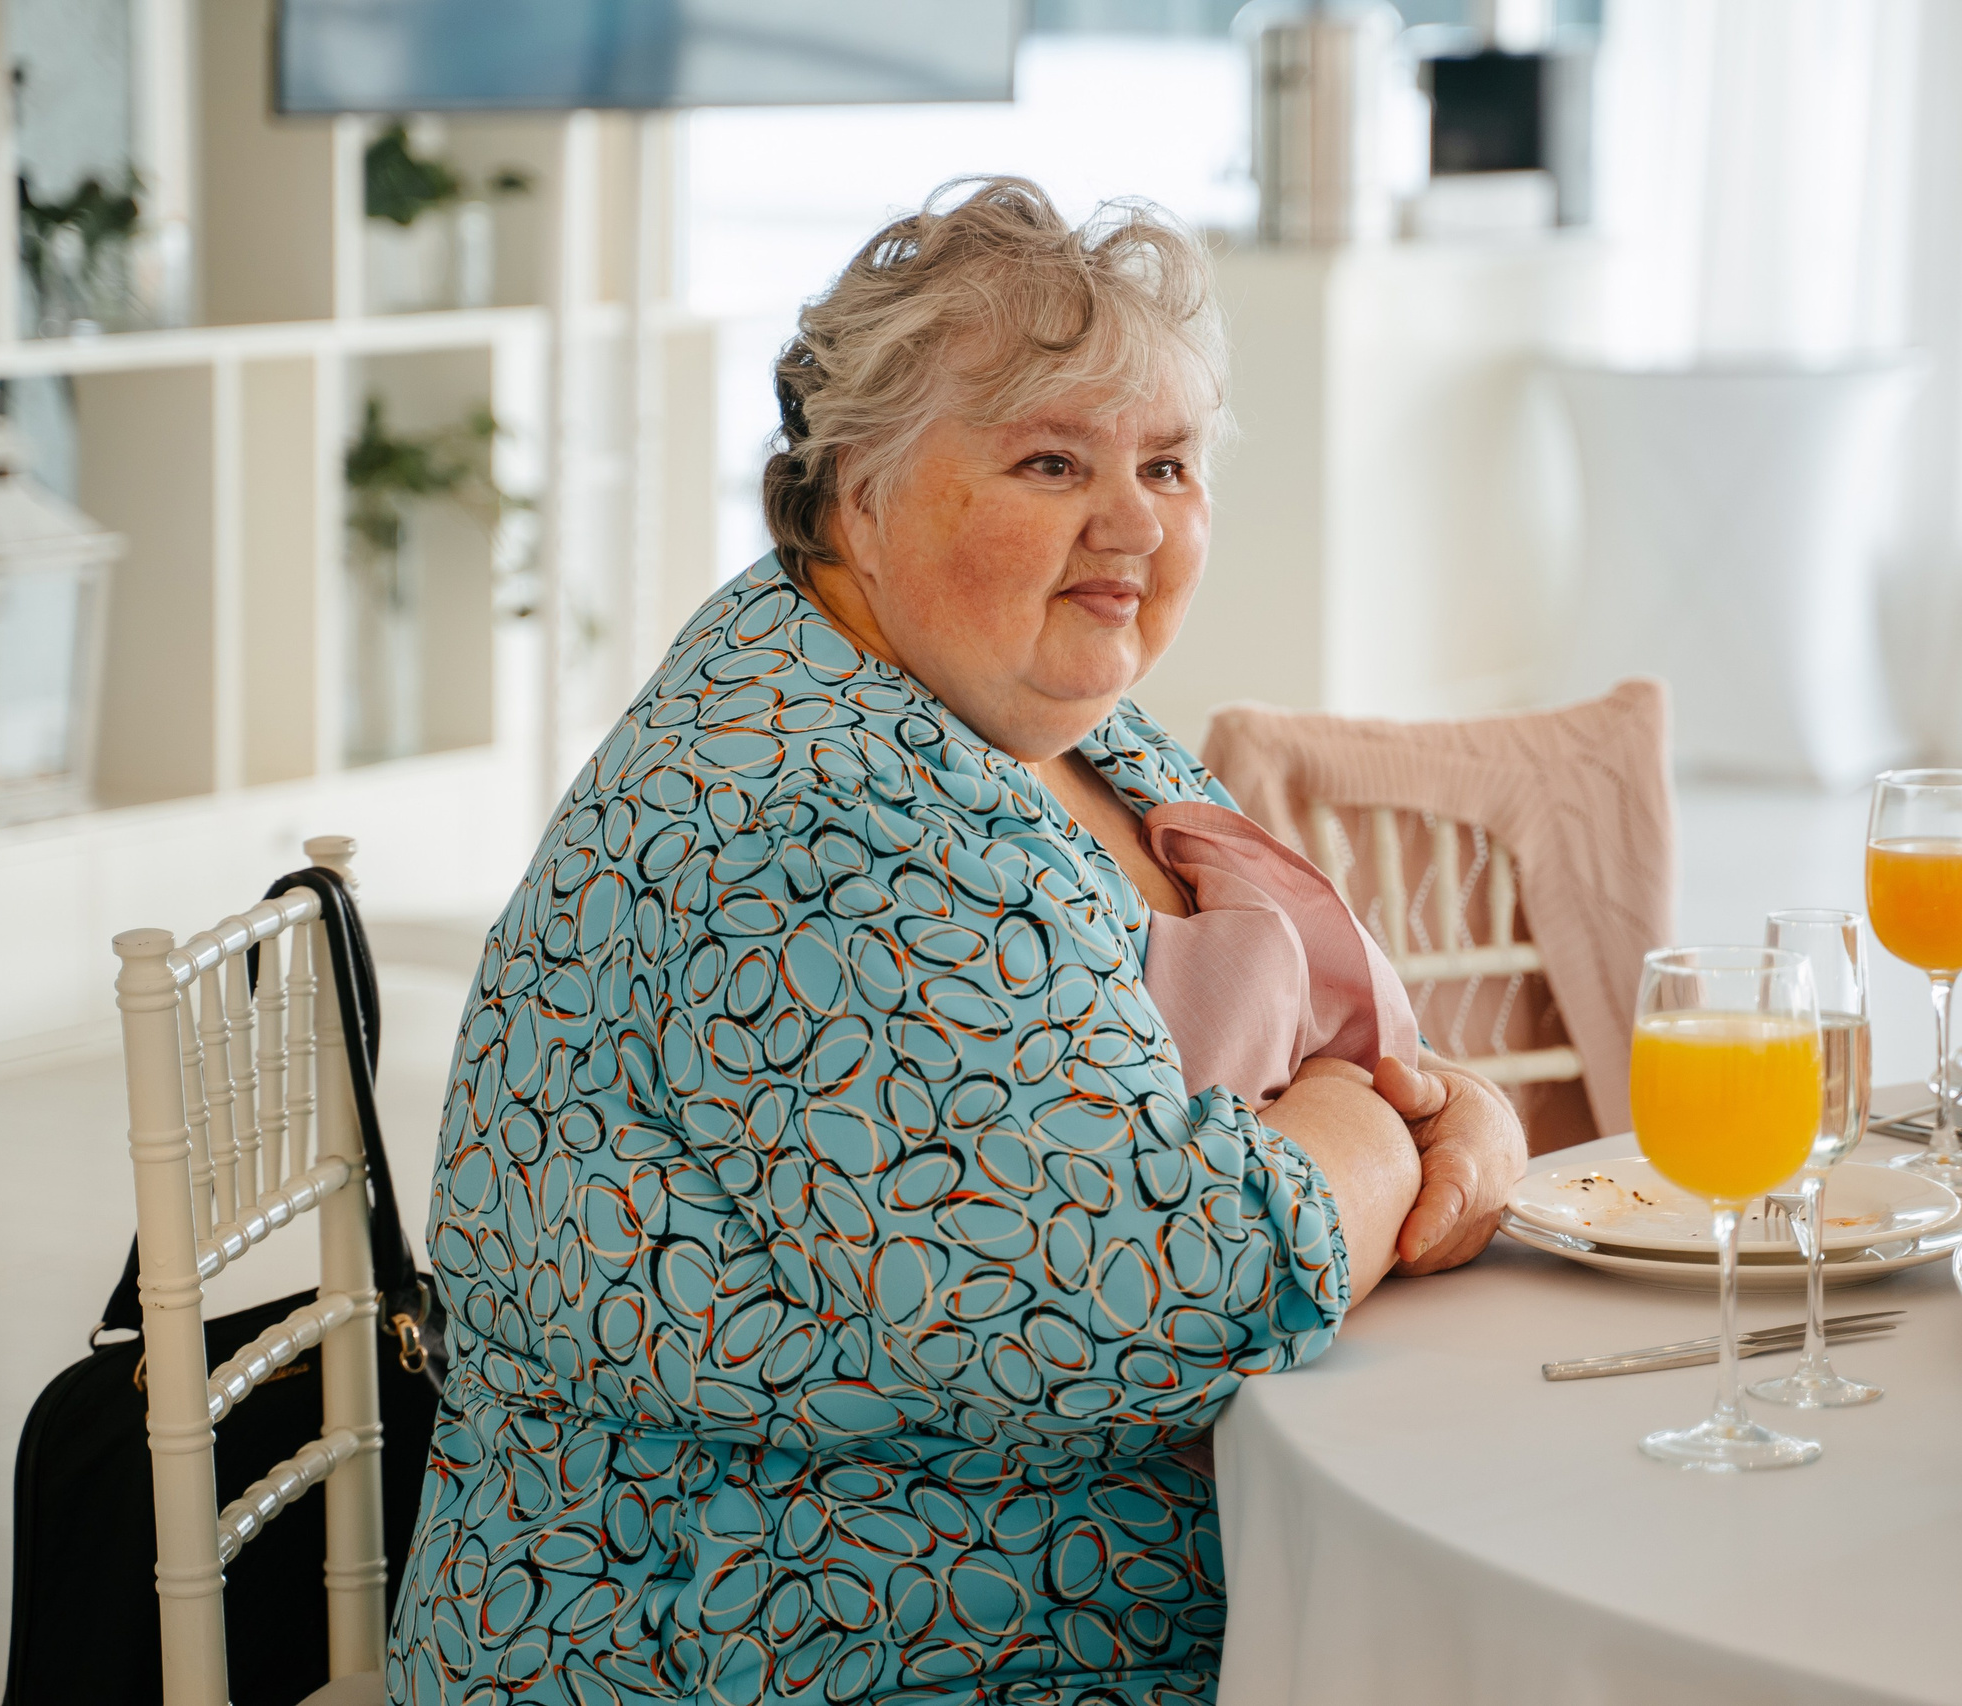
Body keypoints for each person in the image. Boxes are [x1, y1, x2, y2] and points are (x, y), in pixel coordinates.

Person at [388, 176, 1527, 1706]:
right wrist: (1374, 1137)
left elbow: (1290, 1065)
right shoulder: (807, 819)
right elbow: (1143, 1297)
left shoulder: (1042, 716)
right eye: (1053, 461)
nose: (1133, 523)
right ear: (856, 482)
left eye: (1170, 464)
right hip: (785, 1629)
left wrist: (1442, 1106)